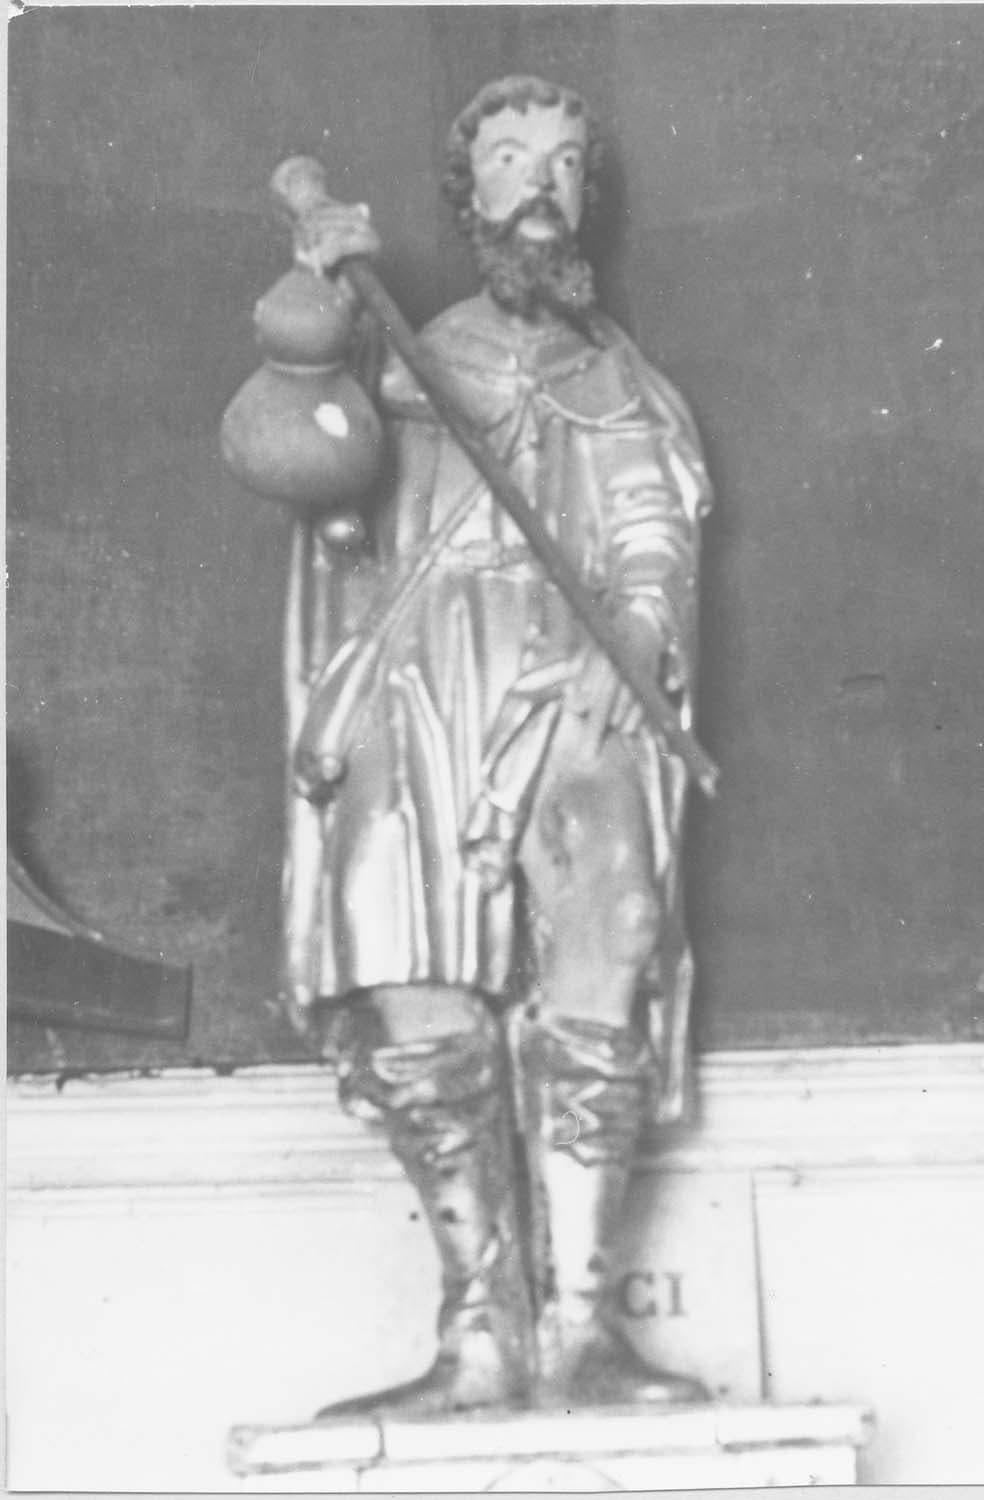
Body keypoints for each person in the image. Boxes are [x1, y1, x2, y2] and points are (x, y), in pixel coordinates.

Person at [232, 75, 713, 1416]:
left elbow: (649, 526)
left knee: (610, 929)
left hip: (572, 684)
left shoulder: (612, 376)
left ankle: (580, 1330)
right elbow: (304, 464)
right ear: (469, 195)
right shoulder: (404, 357)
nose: (538, 182)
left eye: (562, 161)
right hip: (421, 685)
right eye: (509, 157)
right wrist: (313, 306)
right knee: (412, 968)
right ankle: (478, 1336)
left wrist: (632, 630)